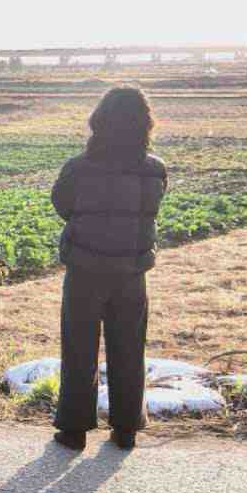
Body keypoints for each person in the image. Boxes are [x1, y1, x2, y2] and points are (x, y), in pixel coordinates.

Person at [49, 85, 167, 451]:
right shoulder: (155, 170)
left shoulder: (78, 168)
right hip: (132, 272)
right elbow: (151, 210)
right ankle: (126, 428)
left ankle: (74, 430)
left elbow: (62, 205)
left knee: (78, 348)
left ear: (99, 121)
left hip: (84, 268)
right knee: (129, 348)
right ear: (145, 124)